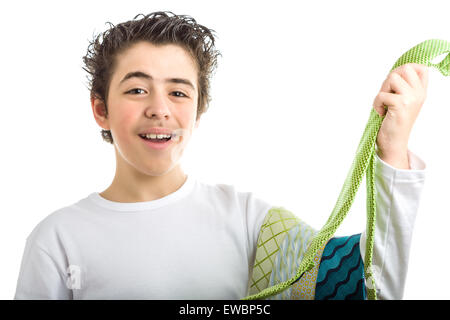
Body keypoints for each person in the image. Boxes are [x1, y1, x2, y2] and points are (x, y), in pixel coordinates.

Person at [13, 11, 428, 300]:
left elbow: (368, 288)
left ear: (198, 112)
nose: (159, 108)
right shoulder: (57, 239)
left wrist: (392, 149)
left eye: (178, 92)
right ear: (100, 108)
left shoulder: (249, 222)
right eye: (137, 89)